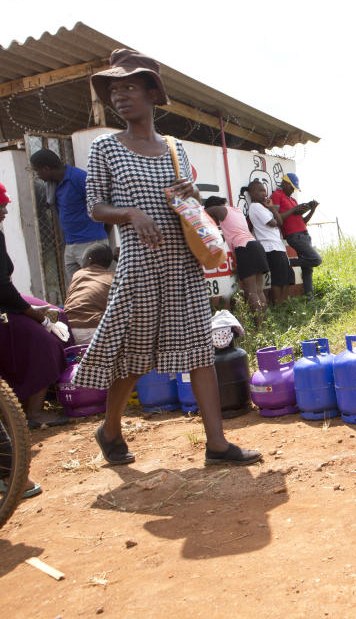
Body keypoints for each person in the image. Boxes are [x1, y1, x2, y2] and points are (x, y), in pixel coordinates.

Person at [76, 48, 260, 466]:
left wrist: (192, 195)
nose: (120, 96)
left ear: (152, 94)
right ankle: (109, 429)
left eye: (130, 87)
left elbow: (186, 200)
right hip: (139, 264)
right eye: (114, 90)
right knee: (133, 356)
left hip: (183, 262)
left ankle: (217, 444)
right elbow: (94, 206)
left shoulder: (175, 149)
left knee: (200, 350)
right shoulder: (105, 148)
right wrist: (130, 213)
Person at [1, 182, 68, 498]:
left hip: (7, 303)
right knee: (44, 343)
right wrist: (35, 314)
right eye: (1, 206)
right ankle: (33, 413)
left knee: (55, 316)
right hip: (5, 306)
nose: (5, 211)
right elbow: (3, 288)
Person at [29, 149, 110, 285]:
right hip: (71, 244)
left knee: (97, 287)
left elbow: (103, 205)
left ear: (46, 168)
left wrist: (102, 238)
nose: (37, 175)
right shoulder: (53, 185)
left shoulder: (78, 178)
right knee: (76, 289)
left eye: (37, 171)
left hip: (90, 242)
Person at [203, 196, 269, 322]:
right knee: (259, 291)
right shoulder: (237, 211)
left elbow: (205, 212)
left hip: (244, 248)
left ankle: (259, 327)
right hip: (255, 246)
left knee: (252, 292)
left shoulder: (221, 210)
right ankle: (264, 324)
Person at [270, 173, 322, 300]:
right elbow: (277, 216)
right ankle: (286, 262)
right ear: (284, 184)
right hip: (294, 236)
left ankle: (310, 300)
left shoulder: (293, 200)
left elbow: (302, 222)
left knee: (307, 270)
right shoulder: (277, 195)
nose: (293, 190)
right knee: (316, 259)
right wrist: (294, 210)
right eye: (292, 187)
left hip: (304, 235)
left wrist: (312, 209)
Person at [246, 181, 294, 305]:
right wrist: (273, 211)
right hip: (270, 247)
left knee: (287, 278)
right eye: (260, 191)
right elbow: (274, 223)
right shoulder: (255, 206)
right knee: (278, 279)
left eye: (264, 190)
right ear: (252, 193)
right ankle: (278, 307)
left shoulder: (265, 208)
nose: (264, 193)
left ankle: (282, 305)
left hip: (278, 246)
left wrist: (272, 208)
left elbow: (280, 223)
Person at [63, 243, 115, 345]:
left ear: (89, 260)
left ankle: (78, 359)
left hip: (69, 329)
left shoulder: (78, 274)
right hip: (97, 331)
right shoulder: (113, 278)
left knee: (79, 356)